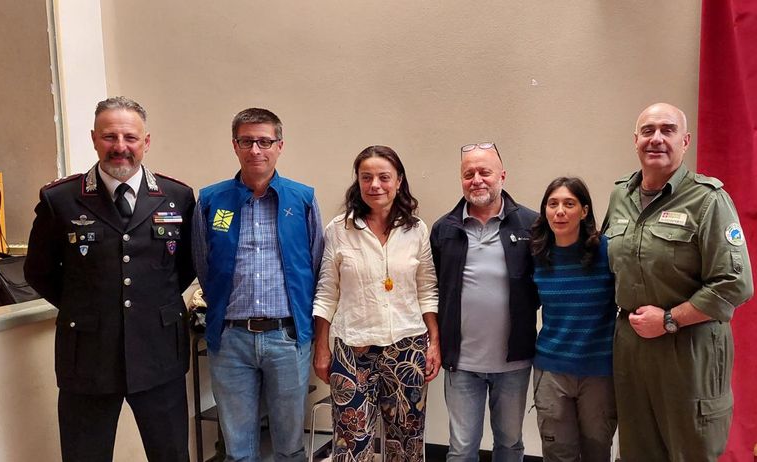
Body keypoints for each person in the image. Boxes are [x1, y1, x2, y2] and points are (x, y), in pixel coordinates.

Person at [24, 96, 194, 461]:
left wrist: (151, 304)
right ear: (93, 139)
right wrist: (86, 306)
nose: (120, 147)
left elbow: (186, 266)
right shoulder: (61, 199)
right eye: (109, 136)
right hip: (88, 356)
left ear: (146, 142)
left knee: (171, 454)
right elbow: (38, 271)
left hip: (159, 352)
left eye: (130, 137)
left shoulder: (177, 197)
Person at [604, 103, 754, 461]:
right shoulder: (621, 195)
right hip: (632, 347)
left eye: (667, 130)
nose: (656, 138)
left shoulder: (708, 200)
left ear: (685, 141)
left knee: (691, 451)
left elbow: (735, 283)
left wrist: (669, 320)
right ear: (635, 140)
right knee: (637, 451)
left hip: (689, 347)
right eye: (648, 131)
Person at [192, 108, 324, 461]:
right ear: (234, 145)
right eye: (247, 141)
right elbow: (204, 265)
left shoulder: (302, 198)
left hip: (287, 337)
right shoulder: (211, 200)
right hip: (230, 340)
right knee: (238, 449)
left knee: (290, 446)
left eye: (264, 141)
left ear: (280, 145)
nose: (255, 150)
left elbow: (315, 263)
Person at [312, 145, 440, 461]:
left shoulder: (416, 230)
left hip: (406, 348)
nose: (375, 185)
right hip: (352, 349)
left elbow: (427, 291)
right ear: (357, 181)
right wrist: (321, 347)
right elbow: (327, 292)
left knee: (407, 443)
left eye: (384, 177)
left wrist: (434, 343)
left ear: (399, 181)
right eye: (366, 177)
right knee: (351, 444)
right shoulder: (339, 229)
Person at [430, 142, 540, 462]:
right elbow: (433, 292)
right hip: (462, 363)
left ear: (502, 176)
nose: (476, 179)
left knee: (510, 444)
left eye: (484, 172)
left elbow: (543, 286)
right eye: (469, 174)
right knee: (462, 449)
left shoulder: (531, 225)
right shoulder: (444, 229)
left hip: (513, 363)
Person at [529, 177, 617, 462]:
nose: (560, 211)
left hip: (598, 372)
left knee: (597, 451)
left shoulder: (606, 251)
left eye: (569, 204)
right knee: (558, 454)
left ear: (584, 211)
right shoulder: (538, 254)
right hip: (552, 371)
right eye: (552, 204)